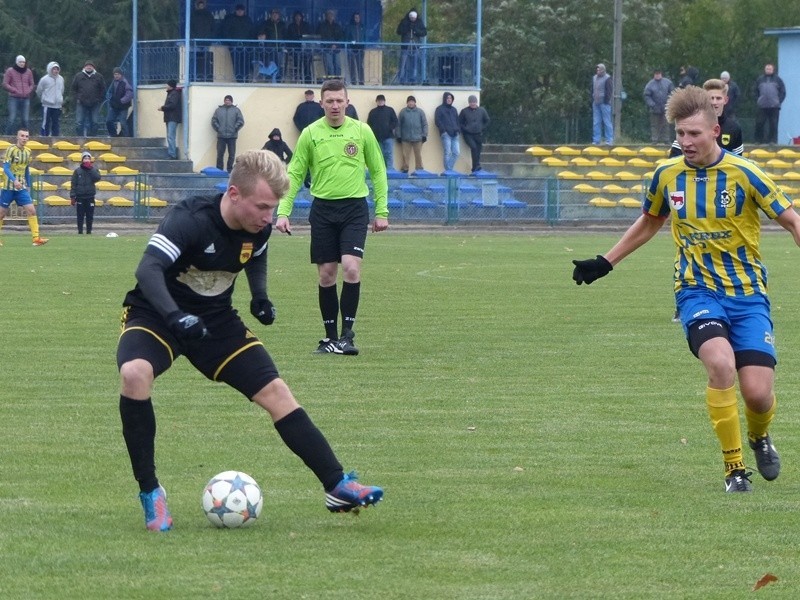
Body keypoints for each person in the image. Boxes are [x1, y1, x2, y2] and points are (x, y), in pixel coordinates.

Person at [116, 149, 384, 531]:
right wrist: (175, 317)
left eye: (273, 208)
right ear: (234, 194)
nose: (269, 217)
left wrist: (259, 295)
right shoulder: (189, 220)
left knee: (277, 392)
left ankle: (336, 484)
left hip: (216, 323)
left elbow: (255, 254)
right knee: (134, 374)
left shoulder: (256, 227)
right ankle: (151, 493)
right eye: (262, 207)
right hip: (156, 315)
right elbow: (148, 269)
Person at [571, 85, 798, 493]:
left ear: (715, 131)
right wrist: (606, 261)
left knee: (759, 396)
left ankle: (759, 436)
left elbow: (793, 221)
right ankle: (734, 470)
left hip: (747, 295)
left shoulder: (746, 174)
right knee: (720, 364)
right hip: (696, 290)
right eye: (679, 134)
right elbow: (650, 220)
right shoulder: (666, 174)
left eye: (693, 134)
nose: (685, 142)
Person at [275, 79, 389, 355]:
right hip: (323, 210)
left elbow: (378, 171)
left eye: (340, 100)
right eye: (330, 101)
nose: (335, 105)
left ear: (347, 103)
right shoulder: (311, 133)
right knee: (326, 275)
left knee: (351, 267)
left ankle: (347, 336)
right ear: (321, 104)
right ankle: (330, 339)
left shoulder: (362, 131)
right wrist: (283, 212)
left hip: (354, 208)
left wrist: (381, 210)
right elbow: (295, 173)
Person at [0, 129, 48, 247]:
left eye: (26, 136)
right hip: (8, 187)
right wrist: (14, 180)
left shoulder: (28, 151)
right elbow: (6, 168)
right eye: (22, 136)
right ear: (17, 137)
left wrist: (28, 185)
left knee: (31, 210)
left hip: (21, 187)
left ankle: (36, 238)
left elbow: (26, 168)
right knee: (1, 213)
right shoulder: (11, 150)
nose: (24, 138)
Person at [72, 60, 106, 137]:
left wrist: (99, 99)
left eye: (90, 66)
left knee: (94, 122)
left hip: (95, 103)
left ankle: (92, 138)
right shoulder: (78, 76)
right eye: (87, 65)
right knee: (79, 122)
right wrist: (77, 98)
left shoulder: (99, 76)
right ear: (84, 67)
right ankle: (79, 138)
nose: (89, 67)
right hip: (81, 103)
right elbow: (74, 89)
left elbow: (103, 89)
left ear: (93, 67)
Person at [70, 151, 101, 235]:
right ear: (82, 160)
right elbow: (73, 183)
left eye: (88, 158)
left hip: (90, 196)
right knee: (80, 215)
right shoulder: (77, 171)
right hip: (80, 196)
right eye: (85, 158)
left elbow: (97, 178)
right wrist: (73, 196)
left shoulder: (93, 169)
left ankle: (89, 231)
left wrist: (91, 169)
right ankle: (80, 232)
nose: (86, 160)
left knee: (89, 215)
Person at [222, 3, 255, 83]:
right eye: (238, 10)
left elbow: (252, 33)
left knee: (246, 64)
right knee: (237, 65)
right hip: (235, 47)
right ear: (236, 11)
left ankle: (246, 80)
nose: (240, 12)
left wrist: (249, 44)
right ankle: (239, 80)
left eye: (241, 10)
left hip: (246, 47)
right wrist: (231, 43)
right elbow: (226, 32)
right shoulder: (231, 20)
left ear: (244, 11)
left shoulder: (248, 20)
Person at [212, 94, 245, 172]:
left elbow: (240, 121)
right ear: (224, 101)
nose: (227, 102)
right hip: (221, 136)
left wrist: (235, 128)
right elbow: (214, 121)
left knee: (232, 154)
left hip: (232, 136)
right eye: (226, 100)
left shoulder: (236, 110)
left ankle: (230, 169)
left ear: (231, 101)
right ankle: (219, 170)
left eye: (229, 100)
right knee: (220, 154)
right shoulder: (218, 110)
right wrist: (218, 128)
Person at [754, 63, 786, 144]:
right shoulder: (760, 79)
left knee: (773, 124)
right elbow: (755, 91)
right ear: (765, 70)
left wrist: (778, 101)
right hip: (762, 106)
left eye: (770, 69)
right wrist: (758, 100)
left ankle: (772, 141)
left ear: (773, 70)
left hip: (774, 106)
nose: (768, 70)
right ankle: (758, 141)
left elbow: (783, 92)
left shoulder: (778, 79)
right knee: (759, 123)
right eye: (767, 69)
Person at [3, 55, 34, 135]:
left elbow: (32, 84)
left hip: (25, 98)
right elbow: (5, 84)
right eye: (20, 62)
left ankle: (26, 137)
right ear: (17, 62)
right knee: (12, 118)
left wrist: (28, 91)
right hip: (14, 98)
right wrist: (14, 90)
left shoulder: (28, 72)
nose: (22, 63)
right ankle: (7, 136)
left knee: (25, 119)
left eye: (23, 62)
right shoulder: (10, 71)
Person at [459, 95, 489, 174]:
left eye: (474, 102)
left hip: (478, 134)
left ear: (476, 102)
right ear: (469, 103)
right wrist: (465, 129)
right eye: (471, 102)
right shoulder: (464, 111)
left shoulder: (482, 110)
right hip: (468, 134)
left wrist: (482, 128)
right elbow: (459, 122)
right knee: (474, 147)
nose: (473, 103)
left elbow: (487, 120)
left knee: (478, 149)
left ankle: (476, 167)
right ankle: (475, 166)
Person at [397, 95, 428, 174]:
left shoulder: (420, 112)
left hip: (418, 138)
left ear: (415, 102)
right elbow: (398, 125)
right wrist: (398, 136)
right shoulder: (403, 112)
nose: (411, 103)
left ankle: (419, 169)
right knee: (405, 155)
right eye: (409, 102)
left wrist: (424, 135)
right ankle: (405, 169)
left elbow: (425, 124)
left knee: (418, 155)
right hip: (405, 138)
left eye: (412, 101)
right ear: (407, 103)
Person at [367, 94, 398, 169]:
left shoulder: (390, 110)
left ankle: (390, 169)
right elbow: (369, 124)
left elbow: (395, 121)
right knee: (380, 154)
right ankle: (382, 169)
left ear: (384, 101)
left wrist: (390, 128)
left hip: (388, 136)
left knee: (389, 153)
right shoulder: (372, 112)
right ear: (376, 101)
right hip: (377, 137)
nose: (380, 102)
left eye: (382, 100)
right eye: (379, 100)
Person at [643, 69, 674, 144]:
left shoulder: (668, 82)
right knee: (654, 125)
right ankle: (654, 140)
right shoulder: (650, 84)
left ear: (661, 74)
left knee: (666, 124)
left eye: (659, 73)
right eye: (656, 74)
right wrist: (652, 104)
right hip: (654, 108)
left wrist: (668, 103)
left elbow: (672, 93)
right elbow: (646, 96)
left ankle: (666, 140)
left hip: (666, 107)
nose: (657, 75)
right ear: (654, 74)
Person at [396, 9, 426, 84]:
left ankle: (413, 79)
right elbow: (399, 31)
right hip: (406, 46)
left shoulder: (419, 22)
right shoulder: (404, 22)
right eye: (411, 18)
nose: (413, 19)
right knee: (403, 63)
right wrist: (407, 28)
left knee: (414, 63)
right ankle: (402, 79)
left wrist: (415, 30)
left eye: (414, 18)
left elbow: (424, 32)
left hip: (415, 46)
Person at [255, 8, 286, 80]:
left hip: (280, 49)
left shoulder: (282, 24)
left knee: (279, 65)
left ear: (279, 15)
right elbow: (260, 34)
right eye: (273, 13)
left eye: (276, 13)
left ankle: (278, 80)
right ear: (271, 15)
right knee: (270, 65)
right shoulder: (266, 23)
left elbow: (285, 36)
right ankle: (269, 79)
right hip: (269, 49)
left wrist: (285, 46)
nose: (275, 15)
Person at [36, 61, 64, 137]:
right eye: (54, 69)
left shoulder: (61, 79)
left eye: (57, 69)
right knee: (46, 122)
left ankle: (55, 138)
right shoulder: (44, 79)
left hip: (57, 106)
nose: (56, 71)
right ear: (50, 69)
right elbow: (39, 91)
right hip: (47, 105)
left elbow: (62, 90)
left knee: (56, 123)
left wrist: (59, 99)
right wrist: (44, 99)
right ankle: (44, 137)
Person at [190, 0, 216, 82]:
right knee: (196, 60)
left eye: (202, 5)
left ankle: (205, 77)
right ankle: (196, 77)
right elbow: (190, 28)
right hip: (196, 42)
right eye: (199, 5)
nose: (201, 6)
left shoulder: (208, 15)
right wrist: (193, 38)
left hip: (206, 41)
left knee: (205, 60)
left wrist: (209, 38)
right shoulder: (193, 15)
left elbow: (213, 27)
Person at [435, 92, 460, 173]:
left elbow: (457, 121)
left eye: (450, 98)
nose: (449, 99)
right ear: (444, 99)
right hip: (446, 134)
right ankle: (448, 171)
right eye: (448, 98)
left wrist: (458, 130)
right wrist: (444, 131)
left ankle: (449, 170)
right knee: (447, 153)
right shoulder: (439, 109)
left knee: (456, 153)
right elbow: (437, 121)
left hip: (455, 134)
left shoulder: (454, 109)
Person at [286, 11, 314, 84]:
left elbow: (310, 36)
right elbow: (288, 37)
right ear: (294, 17)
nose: (298, 18)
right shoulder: (291, 26)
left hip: (306, 49)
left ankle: (308, 81)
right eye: (296, 16)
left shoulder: (306, 25)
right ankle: (297, 80)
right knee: (296, 65)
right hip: (295, 49)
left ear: (301, 17)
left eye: (299, 16)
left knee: (307, 65)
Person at [106, 67, 133, 137]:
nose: (116, 76)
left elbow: (130, 94)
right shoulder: (113, 82)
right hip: (114, 106)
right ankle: (113, 135)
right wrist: (111, 100)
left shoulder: (125, 82)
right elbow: (110, 93)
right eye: (115, 74)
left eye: (118, 74)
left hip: (123, 107)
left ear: (121, 74)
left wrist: (121, 101)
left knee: (123, 123)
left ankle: (126, 138)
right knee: (109, 121)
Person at [158, 79, 182, 160]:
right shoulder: (172, 93)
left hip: (173, 117)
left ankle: (172, 154)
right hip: (170, 117)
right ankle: (171, 153)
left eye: (167, 85)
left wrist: (163, 108)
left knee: (170, 136)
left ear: (171, 86)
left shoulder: (174, 94)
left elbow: (172, 105)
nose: (166, 86)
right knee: (170, 136)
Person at [317, 9, 343, 78]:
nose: (330, 16)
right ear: (326, 16)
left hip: (337, 49)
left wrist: (336, 45)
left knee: (338, 66)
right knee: (330, 66)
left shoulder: (337, 26)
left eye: (332, 15)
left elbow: (341, 37)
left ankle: (338, 81)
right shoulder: (322, 26)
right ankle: (331, 81)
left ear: (334, 16)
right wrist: (330, 45)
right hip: (327, 49)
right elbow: (322, 37)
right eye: (329, 15)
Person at [591, 63, 613, 145]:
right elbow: (592, 89)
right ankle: (596, 140)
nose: (598, 71)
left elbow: (609, 90)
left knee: (607, 121)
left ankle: (609, 140)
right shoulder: (594, 78)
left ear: (603, 70)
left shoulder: (607, 78)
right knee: (596, 122)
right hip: (596, 103)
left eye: (599, 69)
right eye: (597, 69)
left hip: (604, 103)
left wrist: (606, 101)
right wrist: (592, 98)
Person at [344, 11, 365, 86]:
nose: (357, 19)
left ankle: (361, 81)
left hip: (360, 48)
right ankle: (353, 81)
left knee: (360, 65)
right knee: (352, 65)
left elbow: (365, 37)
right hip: (351, 48)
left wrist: (364, 46)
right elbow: (346, 38)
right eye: (355, 17)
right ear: (353, 18)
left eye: (358, 17)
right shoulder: (349, 27)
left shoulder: (362, 26)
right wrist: (349, 45)